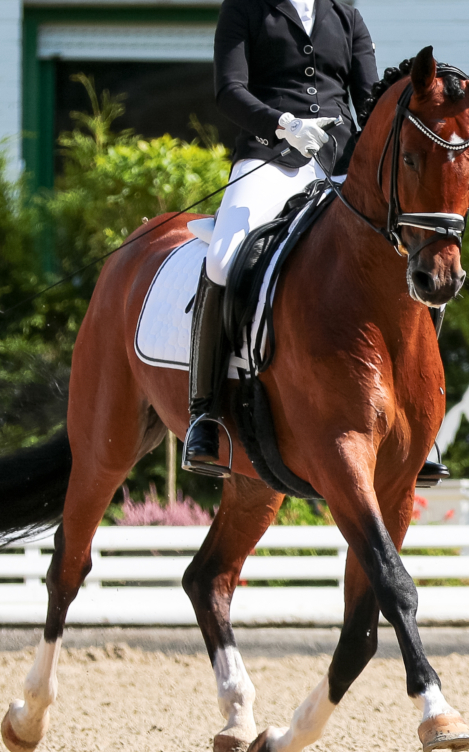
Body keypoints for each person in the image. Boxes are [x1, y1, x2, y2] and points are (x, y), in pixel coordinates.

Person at [186, 0, 449, 487]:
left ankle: (422, 421)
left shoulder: (345, 15)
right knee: (223, 259)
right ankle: (205, 414)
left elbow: (370, 98)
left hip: (342, 163)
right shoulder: (244, 9)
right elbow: (229, 90)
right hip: (270, 156)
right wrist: (282, 124)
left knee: (412, 260)